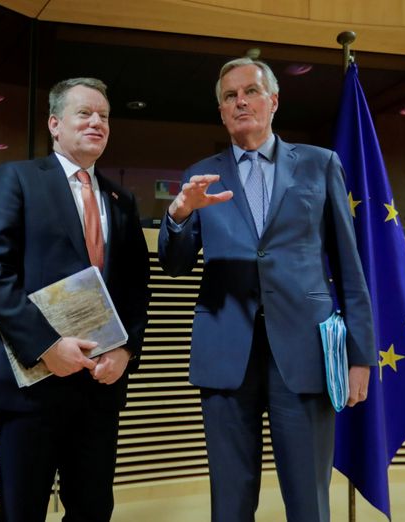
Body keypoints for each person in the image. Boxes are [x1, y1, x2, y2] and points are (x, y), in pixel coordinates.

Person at [158, 57, 377, 522]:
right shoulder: (201, 174)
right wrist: (178, 214)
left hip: (305, 353)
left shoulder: (320, 165)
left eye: (251, 91)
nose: (241, 102)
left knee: (309, 499)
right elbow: (175, 265)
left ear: (273, 101)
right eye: (230, 96)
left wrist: (361, 355)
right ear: (221, 112)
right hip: (225, 353)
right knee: (231, 501)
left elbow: (349, 267)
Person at [0, 77, 150, 522]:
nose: (97, 122)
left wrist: (126, 349)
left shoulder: (121, 199)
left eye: (104, 116)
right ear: (54, 123)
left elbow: (135, 288)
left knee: (92, 510)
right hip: (32, 381)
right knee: (21, 511)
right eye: (84, 113)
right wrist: (48, 346)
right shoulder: (19, 179)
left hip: (99, 385)